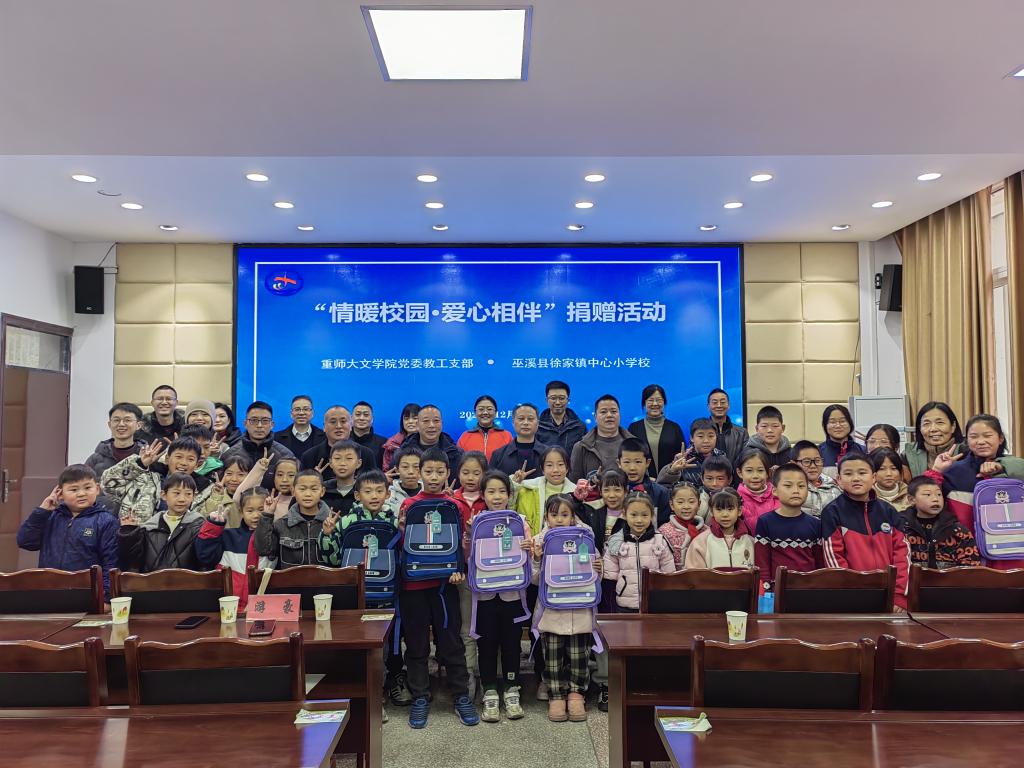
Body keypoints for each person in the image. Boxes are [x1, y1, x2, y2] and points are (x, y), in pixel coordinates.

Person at [398, 447, 480, 729]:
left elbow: (459, 546)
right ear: (419, 473)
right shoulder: (408, 504)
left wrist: (459, 570)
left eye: (439, 472)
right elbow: (403, 545)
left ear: (448, 474)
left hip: (445, 586)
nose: (433, 477)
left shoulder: (454, 505)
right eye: (428, 471)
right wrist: (401, 529)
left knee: (451, 641)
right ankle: (420, 696)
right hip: (413, 585)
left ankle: (461, 696)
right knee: (416, 643)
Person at [928, 413, 1024, 569]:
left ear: (1000, 438)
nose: (981, 441)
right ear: (967, 440)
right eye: (974, 436)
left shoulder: (1014, 468)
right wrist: (937, 471)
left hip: (1011, 551)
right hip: (966, 552)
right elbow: (925, 500)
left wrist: (1001, 467)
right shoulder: (954, 471)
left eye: (987, 435)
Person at [532, 494, 596, 723]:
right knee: (552, 657)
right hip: (551, 611)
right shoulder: (539, 541)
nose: (559, 519)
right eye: (554, 514)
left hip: (579, 609)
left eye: (565, 514)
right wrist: (537, 559)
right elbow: (534, 579)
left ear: (573, 517)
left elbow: (595, 574)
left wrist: (598, 566)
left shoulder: (585, 537)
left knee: (579, 656)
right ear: (546, 517)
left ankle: (577, 694)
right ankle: (556, 695)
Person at [474, 470, 531, 723]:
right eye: (491, 491)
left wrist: (530, 547)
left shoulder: (520, 521)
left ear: (509, 494)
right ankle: (488, 689)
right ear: (483, 494)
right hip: (485, 595)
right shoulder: (476, 521)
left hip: (512, 594)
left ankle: (511, 688)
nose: (497, 496)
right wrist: (468, 537)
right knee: (486, 643)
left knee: (511, 643)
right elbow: (469, 556)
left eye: (502, 491)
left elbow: (531, 557)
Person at [821, 454, 910, 609]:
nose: (856, 478)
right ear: (839, 480)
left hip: (891, 597)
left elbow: (903, 553)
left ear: (873, 477)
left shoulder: (888, 510)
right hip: (853, 600)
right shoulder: (832, 512)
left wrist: (898, 595)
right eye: (848, 474)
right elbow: (834, 560)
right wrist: (853, 596)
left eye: (862, 473)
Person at [17, 465, 118, 600]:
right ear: (60, 493)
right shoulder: (51, 516)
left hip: (87, 592)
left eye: (87, 488)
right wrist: (42, 511)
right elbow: (25, 542)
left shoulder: (106, 521)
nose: (81, 494)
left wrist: (105, 598)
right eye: (73, 489)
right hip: (49, 589)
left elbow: (111, 562)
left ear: (97, 489)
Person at [101, 436, 214, 525]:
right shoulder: (143, 477)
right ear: (167, 458)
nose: (184, 463)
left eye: (190, 459)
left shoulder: (204, 489)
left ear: (197, 464)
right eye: (179, 457)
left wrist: (217, 497)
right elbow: (107, 485)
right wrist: (140, 464)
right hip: (136, 540)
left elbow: (205, 523)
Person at [196, 486, 276, 609]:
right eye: (250, 511)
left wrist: (267, 517)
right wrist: (214, 526)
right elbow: (205, 557)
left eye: (261, 510)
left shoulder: (275, 537)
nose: (256, 515)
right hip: (230, 605)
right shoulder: (228, 536)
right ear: (241, 511)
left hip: (265, 606)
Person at [117, 473, 206, 572]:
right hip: (152, 581)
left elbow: (205, 560)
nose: (182, 499)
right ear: (163, 495)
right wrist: (129, 531)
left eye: (188, 494)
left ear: (194, 496)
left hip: (188, 581)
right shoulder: (149, 527)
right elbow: (132, 561)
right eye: (176, 493)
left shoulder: (199, 526)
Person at [603, 491, 674, 612]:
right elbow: (610, 578)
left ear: (652, 515)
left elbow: (669, 575)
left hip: (654, 604)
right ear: (624, 514)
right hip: (624, 605)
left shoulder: (660, 541)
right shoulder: (616, 542)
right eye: (634, 515)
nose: (639, 520)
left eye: (645, 515)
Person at [754, 464, 823, 587]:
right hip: (777, 589)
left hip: (808, 588)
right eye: (788, 486)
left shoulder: (815, 524)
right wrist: (766, 588)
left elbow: (820, 563)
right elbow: (762, 562)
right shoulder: (765, 522)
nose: (796, 490)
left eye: (801, 486)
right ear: (774, 491)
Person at [255, 468, 331, 567]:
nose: (308, 494)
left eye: (314, 489)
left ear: (322, 491)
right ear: (293, 491)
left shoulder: (334, 522)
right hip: (290, 577)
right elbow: (263, 550)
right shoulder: (282, 524)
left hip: (325, 577)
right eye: (302, 489)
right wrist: (267, 515)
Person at [902, 476, 981, 570]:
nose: (935, 499)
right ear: (911, 500)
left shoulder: (958, 530)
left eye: (939, 494)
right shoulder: (901, 528)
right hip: (910, 579)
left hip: (951, 579)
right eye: (928, 495)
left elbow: (971, 567)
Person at [319, 470, 395, 561]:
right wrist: (327, 535)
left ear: (388, 494)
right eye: (368, 491)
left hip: (386, 570)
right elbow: (334, 561)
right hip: (352, 569)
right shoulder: (345, 522)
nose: (374, 496)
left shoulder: (394, 522)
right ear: (357, 495)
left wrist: (402, 530)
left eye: (379, 491)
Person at [683, 488, 755, 569]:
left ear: (739, 511)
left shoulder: (750, 542)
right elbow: (694, 574)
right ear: (711, 511)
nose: (725, 514)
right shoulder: (700, 542)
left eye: (730, 509)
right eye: (719, 509)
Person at [514, 446, 576, 540]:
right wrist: (515, 484)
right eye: (549, 465)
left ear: (567, 468)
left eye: (560, 464)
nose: (555, 470)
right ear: (542, 469)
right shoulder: (527, 489)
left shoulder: (576, 494)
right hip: (532, 545)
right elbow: (510, 508)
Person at [300, 406, 376, 480]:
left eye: (343, 421)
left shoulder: (366, 454)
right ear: (324, 427)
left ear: (351, 425)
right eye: (333, 422)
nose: (338, 426)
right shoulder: (309, 456)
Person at [222, 401, 297, 476]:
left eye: (265, 421)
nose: (259, 425)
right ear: (245, 424)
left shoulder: (285, 455)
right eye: (254, 420)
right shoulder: (229, 455)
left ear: (272, 425)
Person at [627, 384, 685, 478]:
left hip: (670, 481)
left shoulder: (674, 428)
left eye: (659, 400)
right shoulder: (634, 428)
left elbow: (681, 456)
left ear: (664, 403)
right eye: (650, 400)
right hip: (642, 482)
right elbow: (628, 457)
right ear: (644, 403)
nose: (655, 404)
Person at [571, 395, 631, 481]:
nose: (609, 415)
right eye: (603, 412)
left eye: (613, 411)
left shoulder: (633, 444)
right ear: (595, 417)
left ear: (620, 415)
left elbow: (643, 480)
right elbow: (574, 483)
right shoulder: (581, 447)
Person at [615, 438, 671, 525]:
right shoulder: (613, 492)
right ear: (619, 463)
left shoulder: (661, 493)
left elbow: (663, 525)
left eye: (638, 462)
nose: (632, 467)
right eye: (627, 462)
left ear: (647, 463)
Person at [656, 418, 725, 487]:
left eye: (711, 436)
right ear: (692, 438)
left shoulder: (722, 457)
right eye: (700, 436)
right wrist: (673, 470)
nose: (706, 440)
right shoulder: (683, 459)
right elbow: (663, 486)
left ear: (716, 437)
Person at [903, 402, 964, 478]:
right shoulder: (908, 454)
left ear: (953, 426)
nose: (933, 429)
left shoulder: (965, 452)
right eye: (926, 423)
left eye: (940, 422)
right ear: (920, 428)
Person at [86, 402, 145, 477]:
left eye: (127, 420)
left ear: (139, 425)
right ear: (109, 424)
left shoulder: (147, 456)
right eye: (116, 420)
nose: (121, 424)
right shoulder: (96, 459)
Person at [489, 402, 549, 477]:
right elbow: (491, 481)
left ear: (538, 423)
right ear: (513, 422)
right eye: (521, 419)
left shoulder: (548, 454)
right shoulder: (498, 455)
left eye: (530, 419)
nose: (526, 423)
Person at [235, 450, 296, 520]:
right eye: (280, 475)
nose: (284, 479)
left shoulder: (302, 502)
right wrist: (260, 468)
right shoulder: (266, 501)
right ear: (274, 477)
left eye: (291, 475)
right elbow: (238, 498)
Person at [399, 404, 463, 470]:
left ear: (442, 424)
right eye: (426, 421)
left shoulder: (455, 453)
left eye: (436, 421)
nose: (431, 425)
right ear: (417, 425)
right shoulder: (403, 450)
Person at [658, 482, 705, 571]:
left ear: (699, 504)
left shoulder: (706, 532)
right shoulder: (663, 532)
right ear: (672, 505)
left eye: (691, 502)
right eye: (680, 502)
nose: (686, 506)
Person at [536, 380, 587, 456]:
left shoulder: (580, 426)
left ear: (568, 400)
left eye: (561, 398)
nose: (557, 402)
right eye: (553, 398)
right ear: (546, 400)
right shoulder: (537, 426)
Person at [792, 440, 841, 517]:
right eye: (806, 461)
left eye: (817, 460)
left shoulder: (834, 486)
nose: (813, 466)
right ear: (793, 464)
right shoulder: (790, 489)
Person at [198, 454, 251, 525]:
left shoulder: (254, 497)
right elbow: (203, 520)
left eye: (240, 474)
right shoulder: (214, 496)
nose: (234, 479)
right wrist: (216, 497)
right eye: (229, 473)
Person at [735, 448, 779, 532]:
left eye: (760, 470)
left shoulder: (777, 494)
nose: (755, 476)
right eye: (749, 470)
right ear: (740, 473)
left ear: (768, 473)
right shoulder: (736, 499)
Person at [457, 395, 513, 460]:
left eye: (489, 409)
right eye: (481, 409)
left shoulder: (506, 436)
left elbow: (511, 460)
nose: (485, 412)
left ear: (495, 413)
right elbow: (459, 462)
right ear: (475, 413)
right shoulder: (465, 437)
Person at [322, 440, 365, 517]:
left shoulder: (365, 490)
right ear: (330, 463)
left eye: (349, 458)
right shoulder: (322, 490)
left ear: (359, 463)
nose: (342, 463)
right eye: (337, 458)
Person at [707, 388, 749, 464]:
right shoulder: (700, 431)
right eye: (715, 402)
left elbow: (746, 459)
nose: (719, 405)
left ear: (728, 405)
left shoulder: (742, 433)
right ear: (708, 406)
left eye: (723, 402)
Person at [818, 404, 865, 471]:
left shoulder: (863, 451)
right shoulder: (818, 452)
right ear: (825, 426)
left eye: (842, 421)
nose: (838, 425)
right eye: (832, 422)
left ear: (850, 423)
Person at [384, 445, 423, 518]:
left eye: (416, 467)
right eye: (405, 467)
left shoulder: (428, 492)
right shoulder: (388, 494)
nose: (411, 472)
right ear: (397, 470)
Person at [382, 403, 420, 472]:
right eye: (406, 419)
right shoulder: (392, 443)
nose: (410, 422)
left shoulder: (428, 441)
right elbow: (386, 469)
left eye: (415, 418)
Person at [351, 401, 387, 469]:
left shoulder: (383, 443)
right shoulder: (343, 441)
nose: (361, 418)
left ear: (372, 419)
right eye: (358, 414)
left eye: (366, 415)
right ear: (351, 418)